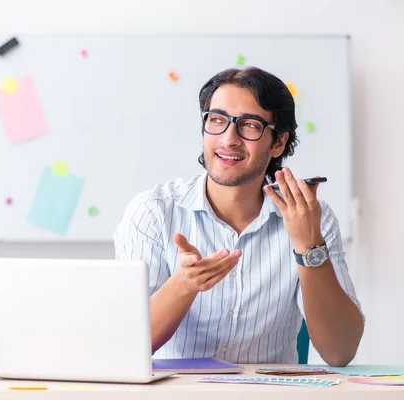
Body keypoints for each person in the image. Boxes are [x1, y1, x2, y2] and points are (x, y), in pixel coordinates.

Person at [113, 66, 364, 367]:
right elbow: (126, 346)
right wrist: (185, 284)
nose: (229, 138)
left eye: (249, 125)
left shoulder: (313, 218)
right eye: (217, 120)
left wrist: (309, 247)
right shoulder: (153, 212)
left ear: (279, 143)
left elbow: (340, 352)